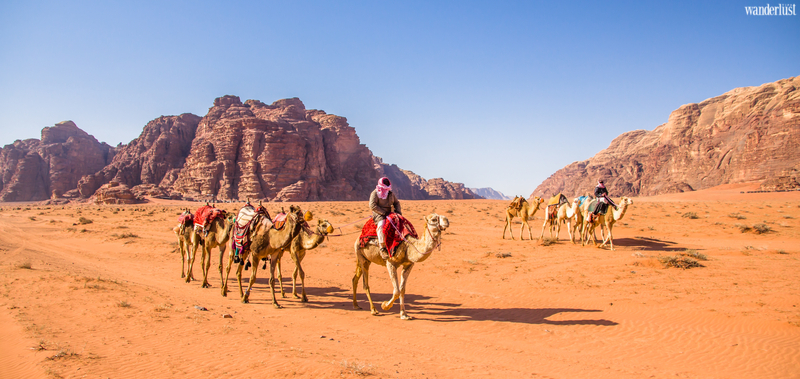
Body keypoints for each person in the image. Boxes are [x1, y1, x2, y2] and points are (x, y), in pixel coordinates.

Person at [369, 177, 402, 260]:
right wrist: (383, 213)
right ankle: (382, 247)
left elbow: (396, 203)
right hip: (378, 214)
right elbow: (372, 205)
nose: (386, 186)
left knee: (401, 223)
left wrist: (398, 213)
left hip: (389, 213)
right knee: (381, 225)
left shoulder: (390, 193)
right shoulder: (375, 193)